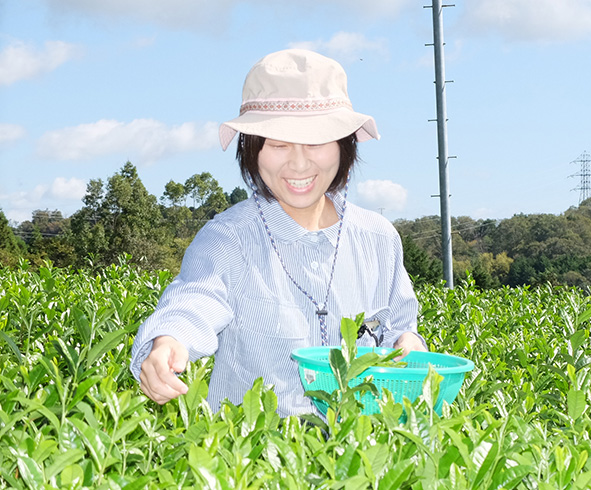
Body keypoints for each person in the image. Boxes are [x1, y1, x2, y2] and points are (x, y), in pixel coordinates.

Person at [129, 49, 426, 417]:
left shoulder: (378, 238)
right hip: (256, 463)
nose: (298, 163)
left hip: (360, 461)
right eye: (278, 144)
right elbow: (194, 300)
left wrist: (407, 343)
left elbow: (400, 326)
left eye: (316, 142)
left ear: (344, 145)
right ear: (251, 149)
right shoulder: (228, 239)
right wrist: (168, 341)